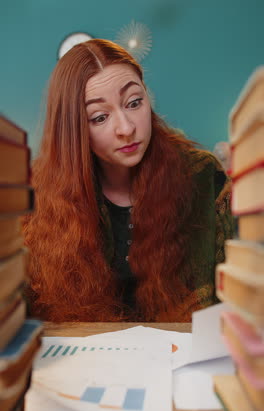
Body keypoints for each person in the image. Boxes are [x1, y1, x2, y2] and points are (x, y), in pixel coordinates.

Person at [22, 39, 233, 323]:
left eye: (134, 102)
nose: (126, 127)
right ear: (74, 130)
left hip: (183, 360)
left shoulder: (203, 178)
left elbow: (239, 300)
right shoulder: (38, 197)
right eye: (99, 117)